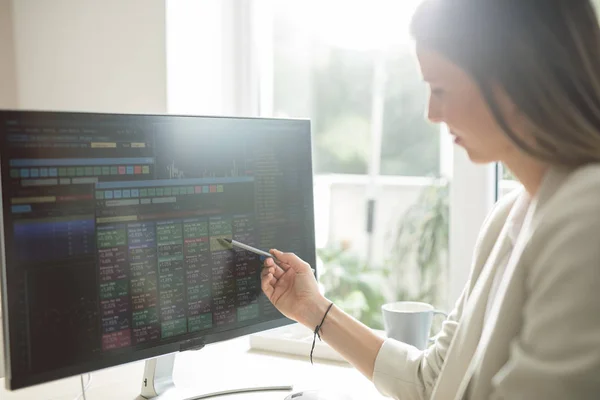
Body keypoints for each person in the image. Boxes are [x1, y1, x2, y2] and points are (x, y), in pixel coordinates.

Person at [260, 0, 600, 399]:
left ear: (514, 81)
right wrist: (310, 307)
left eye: (440, 89)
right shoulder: (511, 215)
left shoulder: (587, 214)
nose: (432, 113)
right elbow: (433, 381)